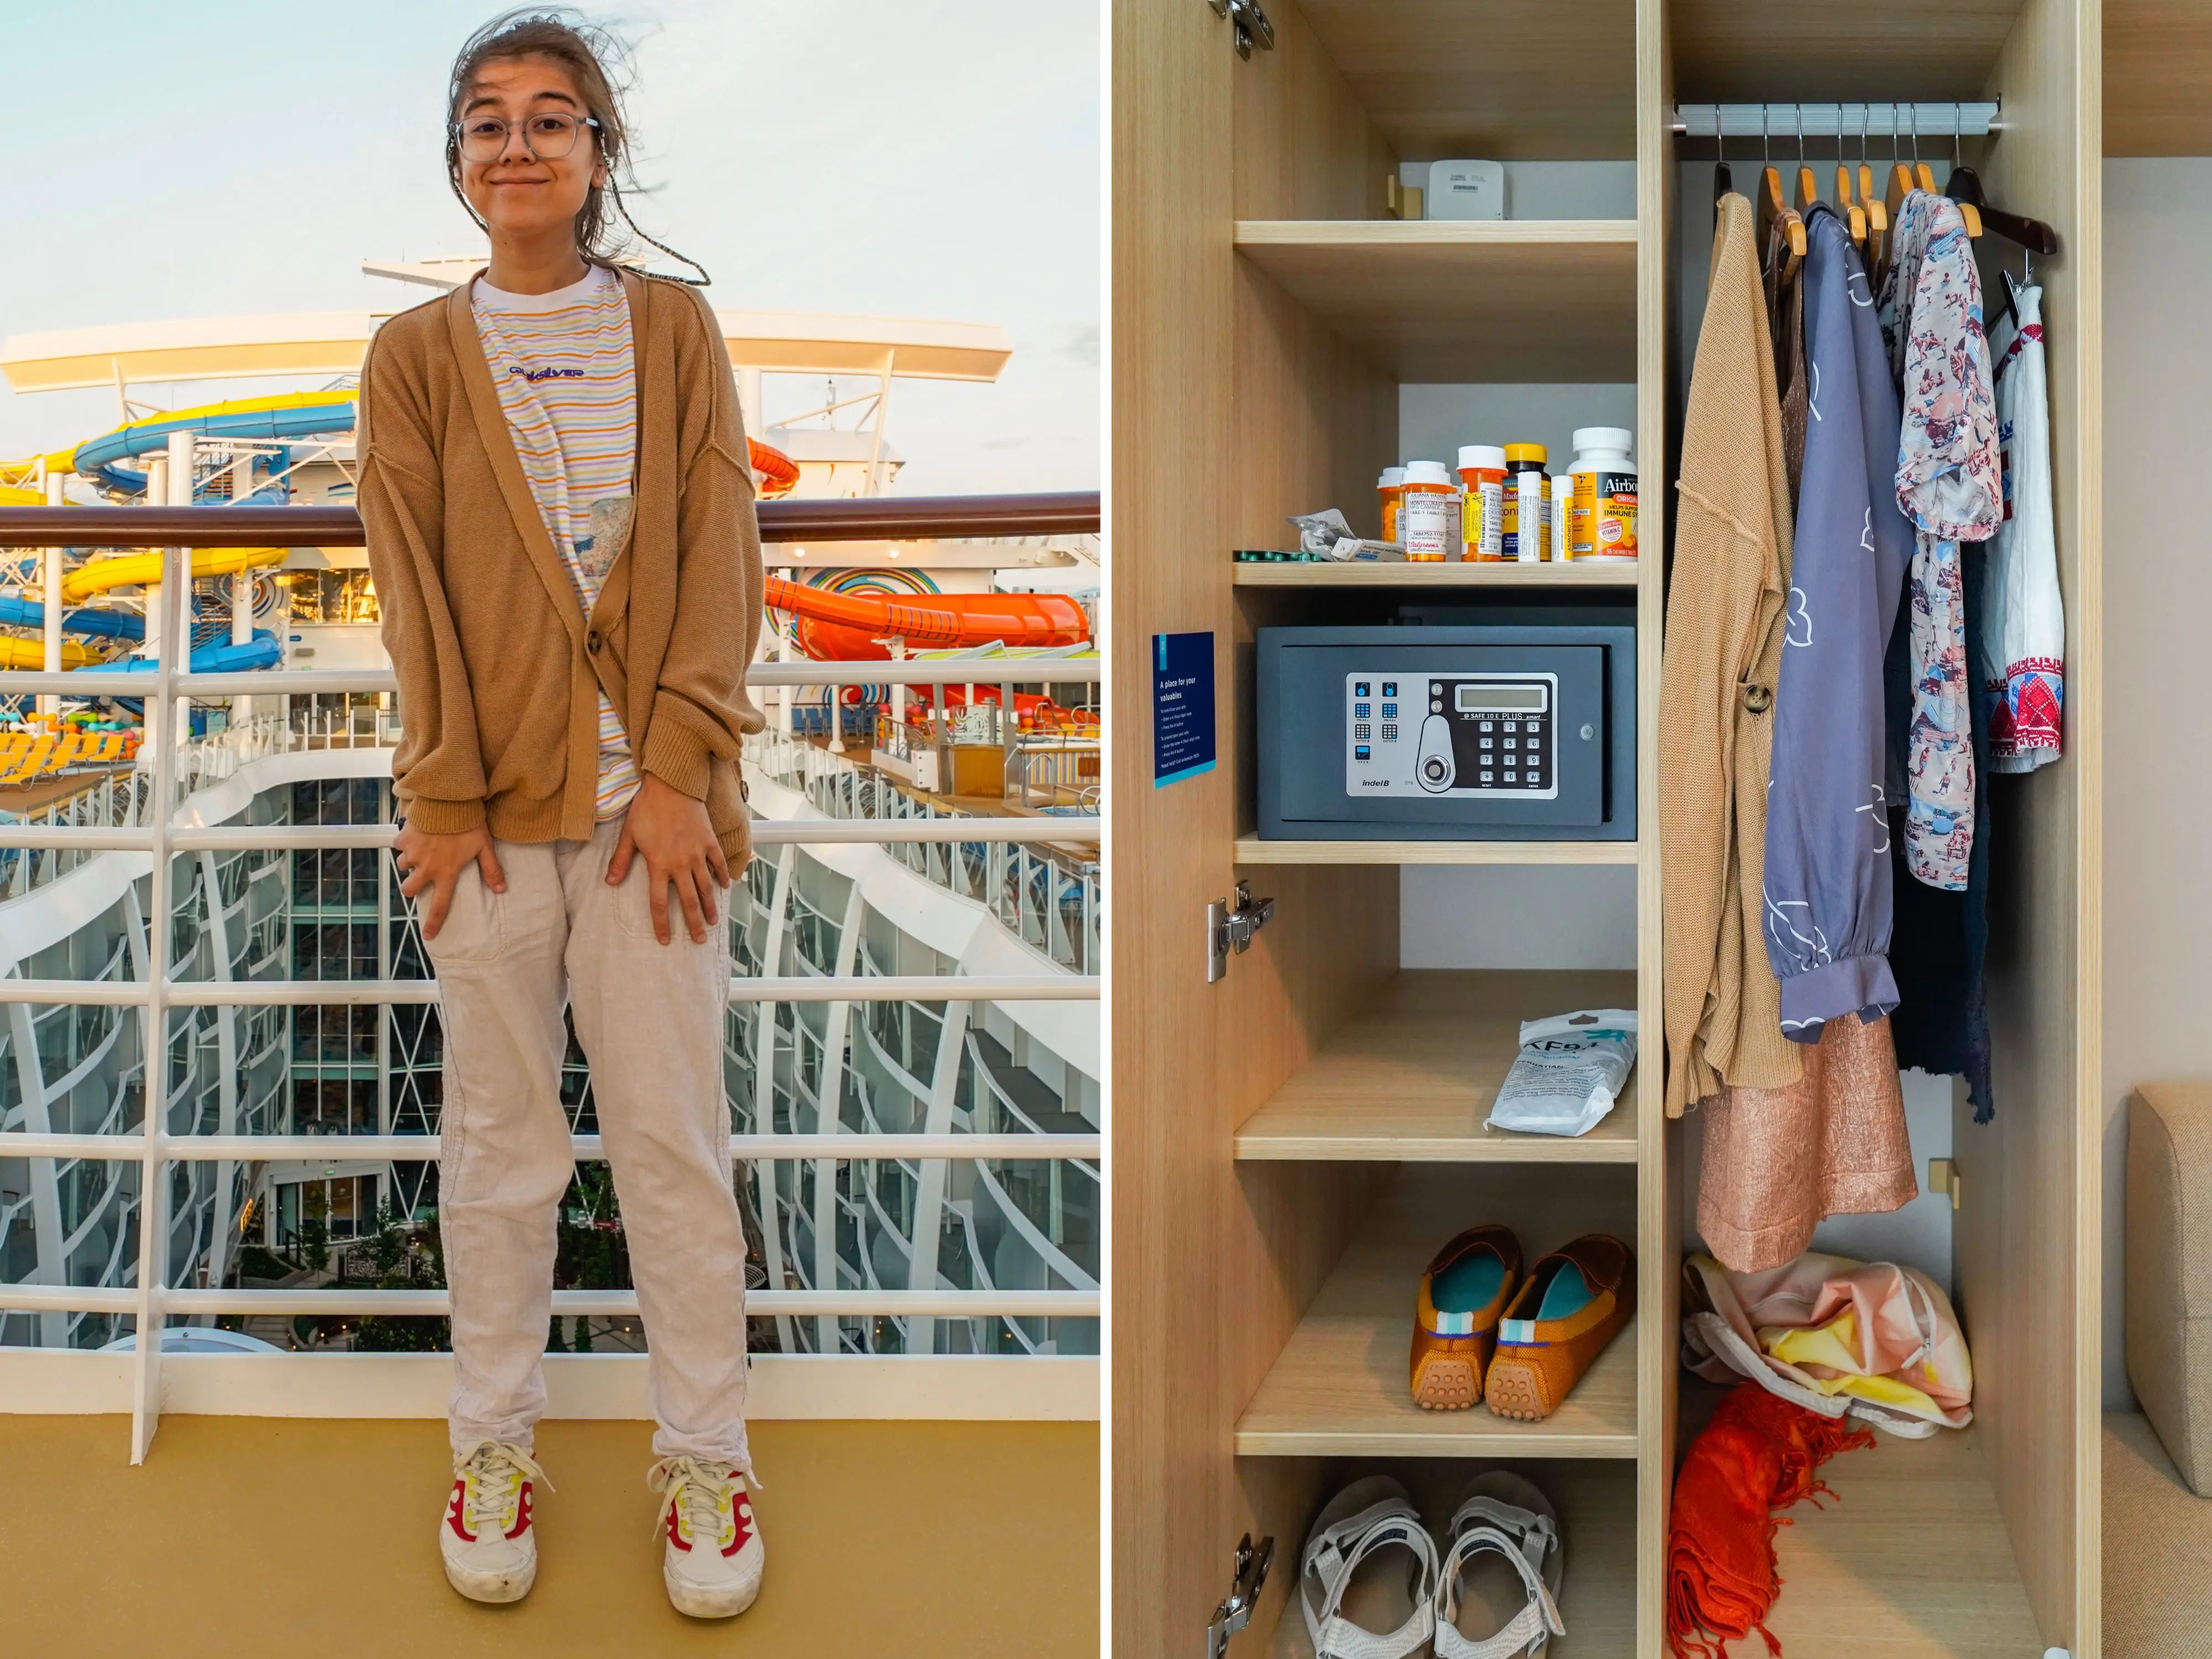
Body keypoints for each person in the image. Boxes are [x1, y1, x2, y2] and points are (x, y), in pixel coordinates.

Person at [357, 7, 766, 1619]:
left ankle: (707, 1461)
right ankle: (493, 1443)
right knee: (499, 1152)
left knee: (673, 1146)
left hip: (654, 826)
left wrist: (677, 773)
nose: (515, 143)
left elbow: (721, 551)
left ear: (600, 158)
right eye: (486, 121)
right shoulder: (411, 358)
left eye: (550, 118)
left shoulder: (675, 332)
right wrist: (443, 790)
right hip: (487, 824)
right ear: (457, 163)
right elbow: (411, 587)